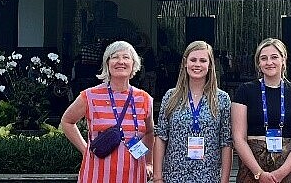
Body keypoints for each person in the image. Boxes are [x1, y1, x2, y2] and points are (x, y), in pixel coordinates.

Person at [60, 40, 155, 183]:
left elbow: (149, 131)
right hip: (96, 175)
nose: (120, 61)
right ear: (107, 63)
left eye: (126, 57)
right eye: (115, 57)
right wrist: (85, 149)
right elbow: (67, 121)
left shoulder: (144, 98)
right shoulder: (90, 96)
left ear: (134, 64)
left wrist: (149, 162)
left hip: (134, 175)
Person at [231, 38, 291, 183]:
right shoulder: (244, 91)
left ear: (283, 60)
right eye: (264, 58)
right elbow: (238, 139)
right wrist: (259, 174)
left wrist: (281, 173)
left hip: (288, 170)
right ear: (258, 63)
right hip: (252, 171)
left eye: (274, 57)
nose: (269, 62)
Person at [153, 41, 232, 183]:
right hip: (175, 175)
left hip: (208, 176)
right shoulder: (171, 97)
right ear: (185, 63)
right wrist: (158, 177)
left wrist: (224, 179)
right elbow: (161, 136)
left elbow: (226, 142)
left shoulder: (222, 99)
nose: (197, 64)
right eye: (193, 60)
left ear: (210, 65)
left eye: (203, 60)